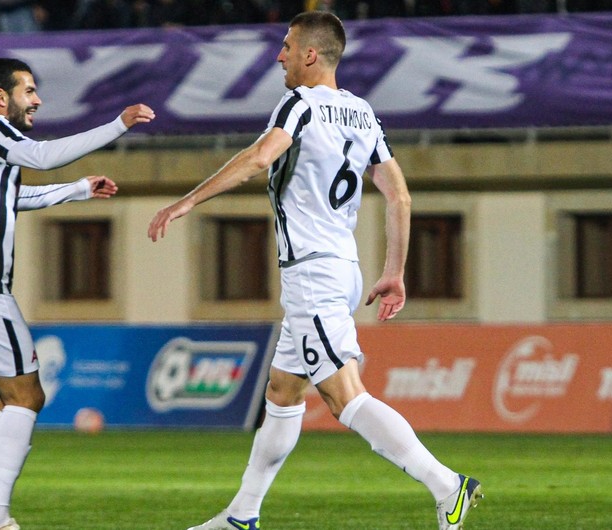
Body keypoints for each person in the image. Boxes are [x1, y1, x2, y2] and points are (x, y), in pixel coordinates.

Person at [148, 11, 482, 530]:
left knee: (345, 396)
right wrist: (394, 271)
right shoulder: (363, 113)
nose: (278, 55)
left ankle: (446, 485)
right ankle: (243, 514)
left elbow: (260, 157)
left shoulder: (300, 103)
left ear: (310, 53)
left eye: (286, 46)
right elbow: (399, 195)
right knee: (283, 393)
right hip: (341, 267)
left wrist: (188, 200)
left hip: (312, 274)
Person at [0, 57, 154, 530]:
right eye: (28, 90)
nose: (38, 100)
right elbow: (43, 156)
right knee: (27, 397)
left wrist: (77, 190)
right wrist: (118, 124)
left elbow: (5, 200)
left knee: (0, 399)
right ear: (0, 97)